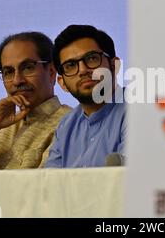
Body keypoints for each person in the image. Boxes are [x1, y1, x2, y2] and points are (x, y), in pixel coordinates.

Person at [0, 32, 71, 171]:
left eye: (28, 67)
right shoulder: (1, 127)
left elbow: (44, 187)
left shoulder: (69, 124)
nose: (17, 80)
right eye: (9, 72)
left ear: (52, 72)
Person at [46, 24, 126, 168]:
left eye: (92, 58)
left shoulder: (139, 111)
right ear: (62, 82)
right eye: (70, 65)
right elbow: (51, 183)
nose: (83, 70)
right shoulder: (66, 125)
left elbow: (126, 179)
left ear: (115, 66)